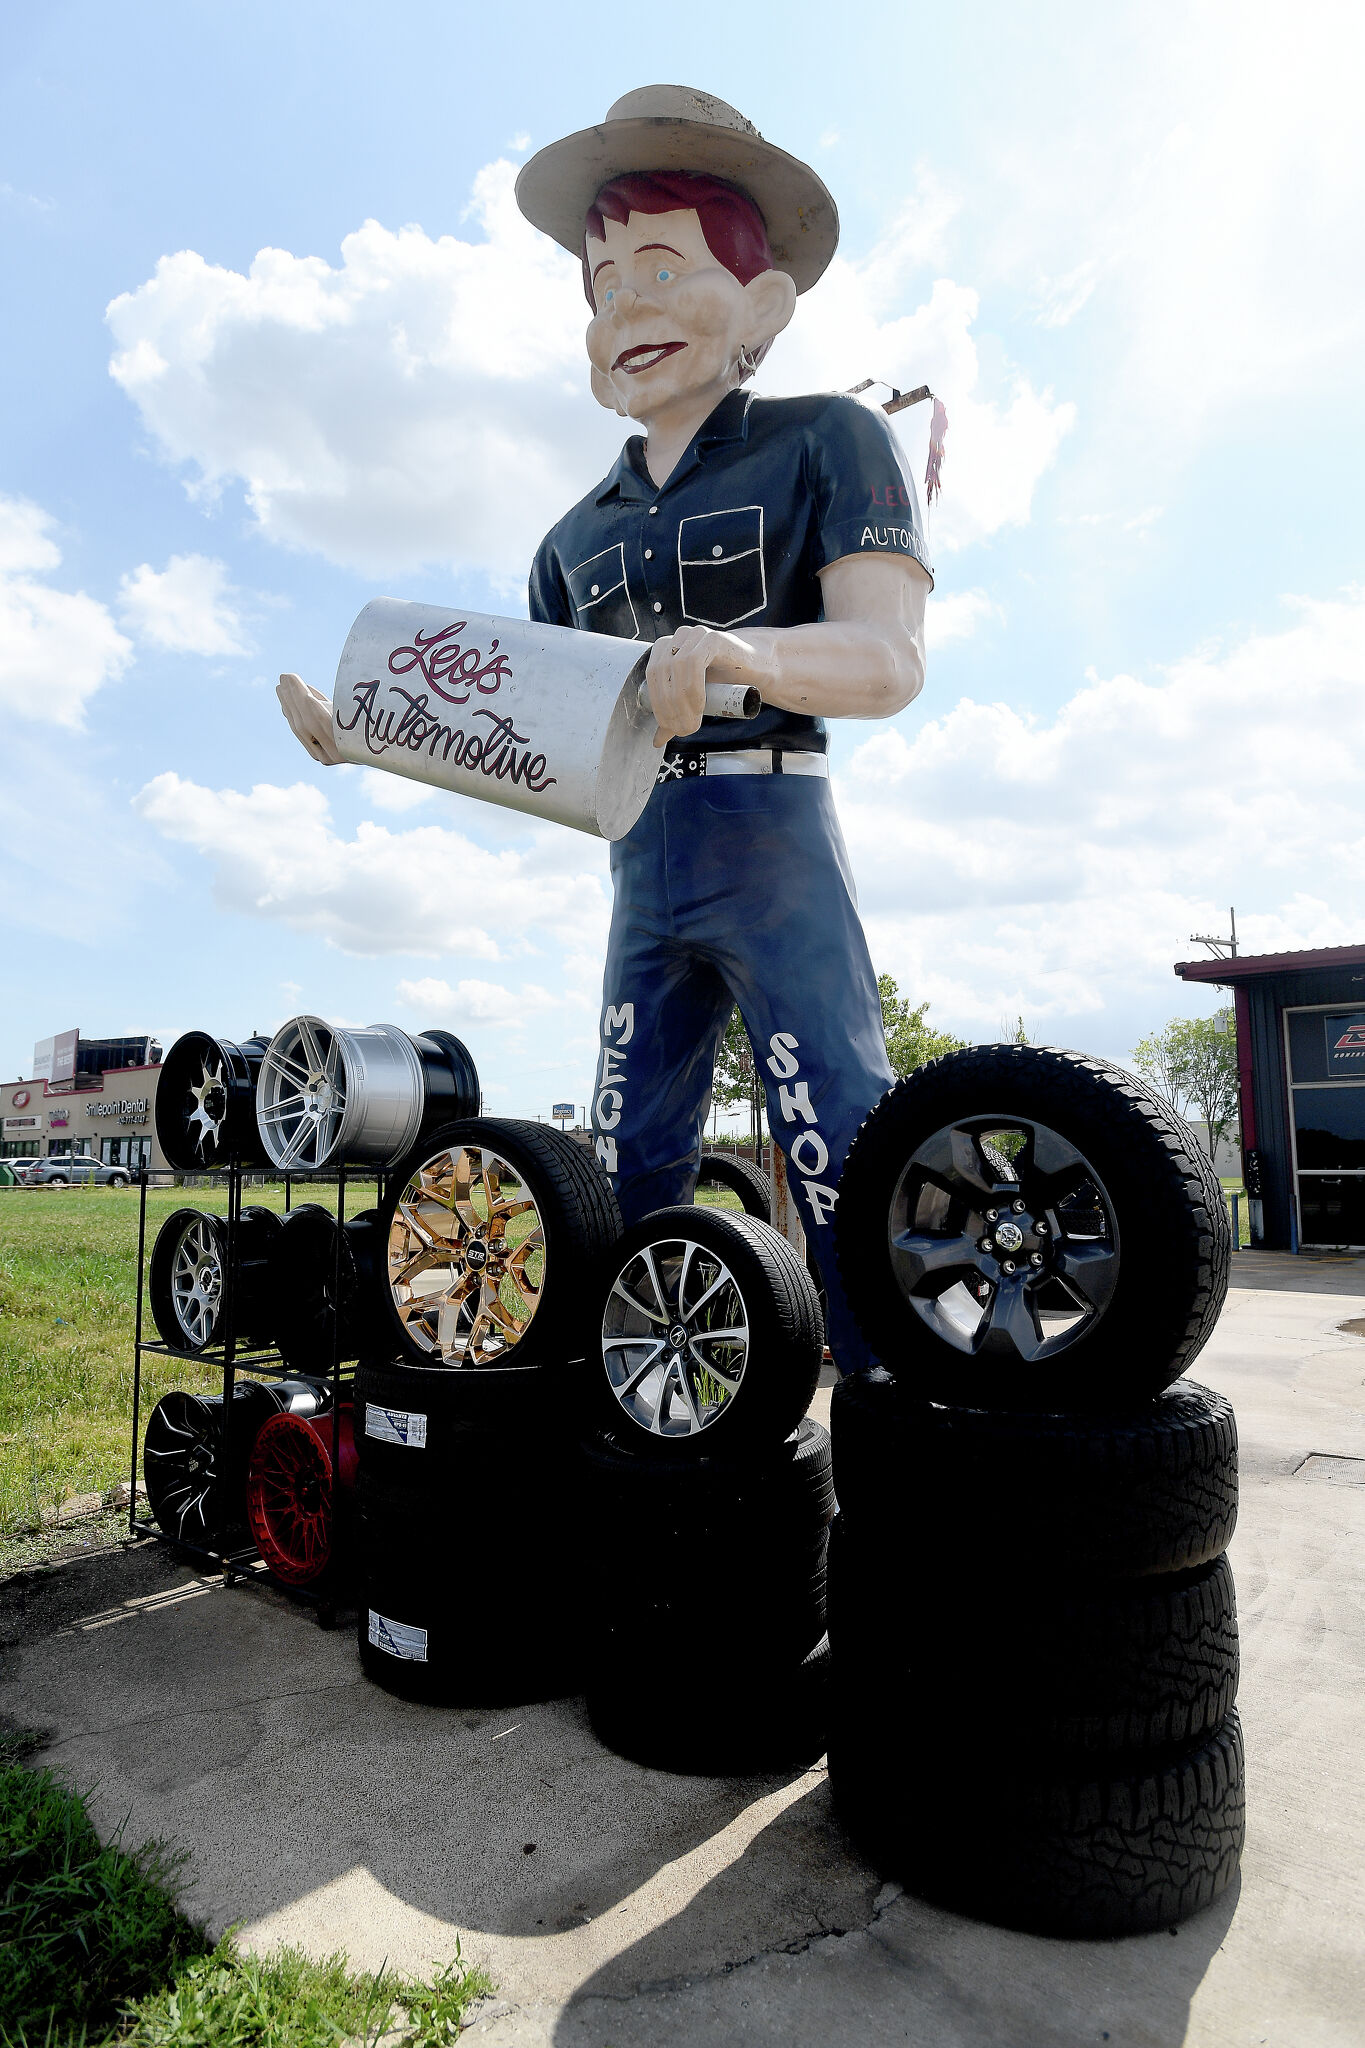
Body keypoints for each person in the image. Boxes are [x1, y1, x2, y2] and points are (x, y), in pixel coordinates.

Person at [278, 84, 933, 1375]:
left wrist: (747, 657)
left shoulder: (828, 443)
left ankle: (886, 1397)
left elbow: (890, 659)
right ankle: (637, 1395)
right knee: (629, 1145)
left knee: (833, 1124)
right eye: (598, 282)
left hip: (773, 831)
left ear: (762, 308)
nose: (622, 305)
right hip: (639, 853)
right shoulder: (566, 542)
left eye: (660, 267)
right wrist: (369, 735)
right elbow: (525, 737)